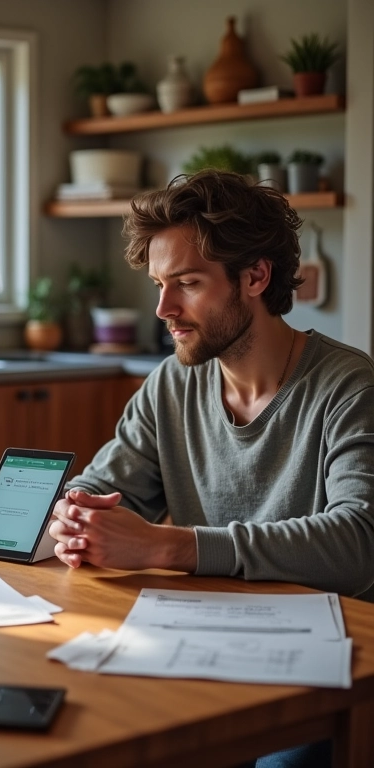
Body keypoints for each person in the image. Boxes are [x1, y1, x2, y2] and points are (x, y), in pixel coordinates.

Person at [48, 170, 374, 768]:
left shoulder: (349, 386)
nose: (163, 309)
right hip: (204, 642)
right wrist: (75, 513)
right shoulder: (172, 383)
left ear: (255, 277)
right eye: (158, 284)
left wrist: (170, 546)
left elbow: (359, 542)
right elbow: (103, 485)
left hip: (330, 660)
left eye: (188, 283)